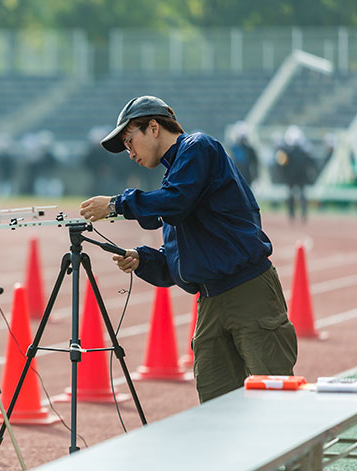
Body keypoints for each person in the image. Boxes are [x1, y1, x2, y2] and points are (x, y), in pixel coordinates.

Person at [79, 96, 297, 403]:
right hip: (209, 302)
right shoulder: (176, 180)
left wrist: (116, 204)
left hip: (248, 292)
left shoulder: (198, 148)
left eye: (130, 141)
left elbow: (175, 202)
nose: (130, 154)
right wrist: (144, 260)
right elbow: (179, 264)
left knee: (277, 399)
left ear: (153, 127)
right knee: (215, 410)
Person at [275, 125, 316, 223]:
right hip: (298, 175)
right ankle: (298, 214)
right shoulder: (302, 150)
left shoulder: (287, 151)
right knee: (298, 195)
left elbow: (281, 165)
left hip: (294, 175)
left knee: (294, 195)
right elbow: (310, 163)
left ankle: (295, 214)